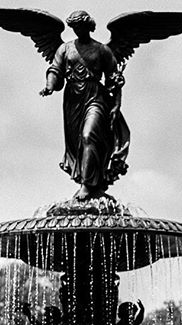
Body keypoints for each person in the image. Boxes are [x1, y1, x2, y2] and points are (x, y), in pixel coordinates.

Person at [41, 10, 130, 200]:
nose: (77, 30)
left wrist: (116, 104)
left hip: (95, 97)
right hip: (73, 99)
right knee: (77, 144)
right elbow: (55, 70)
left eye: (80, 27)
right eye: (74, 28)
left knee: (88, 136)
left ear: (88, 26)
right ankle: (93, 184)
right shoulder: (64, 49)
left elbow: (114, 79)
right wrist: (49, 85)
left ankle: (87, 185)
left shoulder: (102, 50)